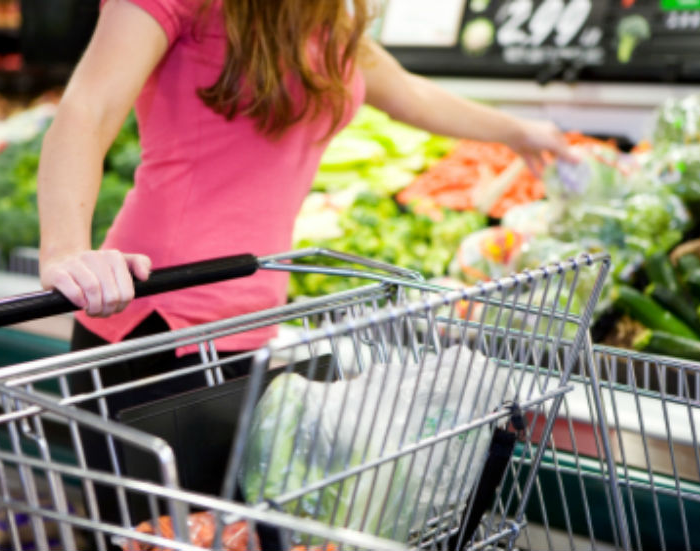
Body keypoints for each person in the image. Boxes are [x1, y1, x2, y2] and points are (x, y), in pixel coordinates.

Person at [36, 0, 575, 529]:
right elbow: (88, 109)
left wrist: (520, 132)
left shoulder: (324, 17)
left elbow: (410, 92)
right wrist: (65, 250)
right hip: (154, 321)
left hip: (250, 328)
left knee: (238, 534)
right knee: (154, 537)